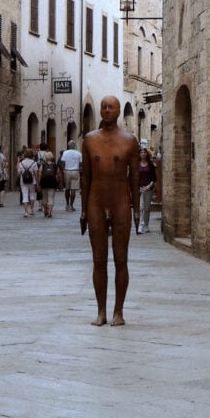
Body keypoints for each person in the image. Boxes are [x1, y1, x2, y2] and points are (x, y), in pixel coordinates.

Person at [81, 96, 140, 327]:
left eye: (111, 107)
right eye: (103, 107)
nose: (106, 110)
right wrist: (83, 210)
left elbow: (134, 178)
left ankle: (119, 311)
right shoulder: (90, 140)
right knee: (98, 259)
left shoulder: (129, 141)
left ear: (117, 111)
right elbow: (86, 177)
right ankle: (101, 311)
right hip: (96, 200)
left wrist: (135, 209)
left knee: (121, 259)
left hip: (120, 202)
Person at [137, 147, 157, 234]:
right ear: (139, 154)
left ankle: (146, 225)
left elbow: (154, 179)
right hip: (139, 188)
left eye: (144, 152)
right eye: (141, 152)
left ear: (147, 154)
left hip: (149, 188)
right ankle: (140, 226)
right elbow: (134, 177)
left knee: (147, 208)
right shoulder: (136, 164)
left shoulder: (151, 165)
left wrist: (148, 186)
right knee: (141, 207)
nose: (143, 154)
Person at [60, 140, 83, 211]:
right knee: (73, 189)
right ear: (75, 146)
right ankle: (71, 205)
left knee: (67, 189)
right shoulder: (79, 153)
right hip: (75, 171)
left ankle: (67, 204)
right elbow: (81, 164)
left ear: (68, 146)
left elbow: (63, 162)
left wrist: (63, 171)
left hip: (67, 171)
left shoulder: (65, 153)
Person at [17, 149, 39, 217]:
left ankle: (26, 212)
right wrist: (37, 183)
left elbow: (18, 173)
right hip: (32, 181)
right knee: (32, 195)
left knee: (25, 195)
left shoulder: (21, 163)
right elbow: (36, 174)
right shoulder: (34, 163)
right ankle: (31, 210)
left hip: (23, 181)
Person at [38, 151, 59, 217]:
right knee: (51, 197)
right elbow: (58, 174)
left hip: (44, 182)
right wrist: (58, 182)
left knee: (44, 197)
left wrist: (39, 183)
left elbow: (40, 174)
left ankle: (45, 211)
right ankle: (50, 212)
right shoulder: (55, 165)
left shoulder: (43, 165)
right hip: (52, 182)